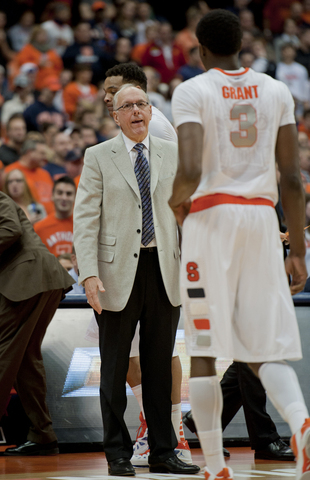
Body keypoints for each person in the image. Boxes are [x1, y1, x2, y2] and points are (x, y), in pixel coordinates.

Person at [169, 9, 310, 480]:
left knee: (206, 348)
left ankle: (213, 466)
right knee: (262, 347)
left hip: (211, 217)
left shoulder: (192, 89)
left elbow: (189, 170)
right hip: (261, 219)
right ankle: (300, 421)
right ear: (242, 41)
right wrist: (297, 251)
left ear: (201, 48)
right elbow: (291, 177)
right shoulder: (276, 89)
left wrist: (174, 202)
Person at [73, 84, 200, 477]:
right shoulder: (97, 156)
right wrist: (89, 273)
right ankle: (117, 453)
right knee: (113, 367)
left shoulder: (171, 152)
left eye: (141, 104)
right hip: (114, 274)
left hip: (164, 269)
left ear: (150, 110)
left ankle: (164, 450)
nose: (136, 111)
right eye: (127, 106)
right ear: (115, 115)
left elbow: (190, 210)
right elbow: (85, 218)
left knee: (159, 365)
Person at [103, 63, 193, 466]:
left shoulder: (155, 132)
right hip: (123, 263)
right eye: (109, 95)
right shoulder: (107, 148)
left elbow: (180, 203)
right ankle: (153, 435)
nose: (107, 96)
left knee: (158, 355)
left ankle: (166, 437)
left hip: (156, 260)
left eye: (113, 90)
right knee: (134, 356)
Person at [0, 188, 74, 456]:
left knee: (3, 358)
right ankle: (42, 433)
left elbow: (10, 230)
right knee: (26, 359)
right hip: (37, 280)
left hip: (27, 278)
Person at [4, 137, 54, 215]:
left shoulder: (45, 173)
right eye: (42, 153)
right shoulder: (10, 172)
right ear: (29, 152)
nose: (45, 157)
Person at [34, 175, 75, 257]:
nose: (64, 197)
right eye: (60, 193)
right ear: (52, 196)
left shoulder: (83, 225)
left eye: (69, 194)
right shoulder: (39, 228)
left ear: (75, 197)